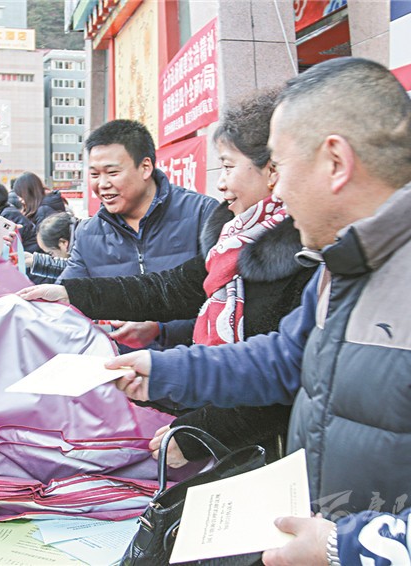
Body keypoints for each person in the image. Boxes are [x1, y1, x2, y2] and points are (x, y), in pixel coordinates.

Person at [110, 57, 411, 565]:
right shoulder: (346, 257)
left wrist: (341, 547)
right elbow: (288, 358)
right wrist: (164, 370)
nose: (278, 189)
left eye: (281, 167)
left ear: (335, 162)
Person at [19, 90, 316, 465]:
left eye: (228, 167)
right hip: (190, 403)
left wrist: (198, 433)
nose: (221, 183)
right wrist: (70, 293)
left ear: (272, 170)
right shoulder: (233, 239)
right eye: (94, 174)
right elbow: (166, 289)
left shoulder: (309, 252)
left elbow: (279, 369)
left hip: (279, 450)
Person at [59, 119, 218, 351]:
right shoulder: (87, 233)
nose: (102, 184)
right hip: (122, 368)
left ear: (145, 167)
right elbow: (67, 302)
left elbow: (222, 303)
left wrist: (161, 329)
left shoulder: (202, 214)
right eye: (94, 174)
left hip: (192, 363)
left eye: (112, 172)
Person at [24, 212, 79, 284]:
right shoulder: (83, 242)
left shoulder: (86, 256)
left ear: (63, 243)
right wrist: (34, 261)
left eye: (51, 253)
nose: (53, 257)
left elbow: (74, 270)